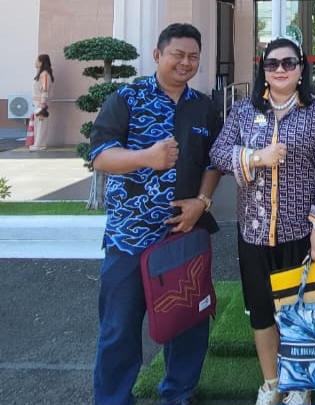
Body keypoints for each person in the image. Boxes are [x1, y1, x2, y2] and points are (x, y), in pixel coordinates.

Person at [90, 23, 222, 405]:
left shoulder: (204, 106)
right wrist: (146, 157)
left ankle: (179, 393)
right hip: (130, 236)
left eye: (193, 56)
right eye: (177, 54)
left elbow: (216, 161)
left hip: (183, 233)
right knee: (119, 326)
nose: (185, 62)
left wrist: (202, 201)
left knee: (188, 320)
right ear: (158, 55)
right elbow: (100, 157)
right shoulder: (126, 98)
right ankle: (113, 398)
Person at [209, 36, 315, 405]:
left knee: (302, 310)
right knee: (262, 311)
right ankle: (272, 382)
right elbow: (218, 153)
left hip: (302, 233)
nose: (280, 69)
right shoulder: (243, 110)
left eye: (288, 63)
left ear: (301, 70)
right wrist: (255, 157)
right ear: (263, 71)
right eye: (272, 64)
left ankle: (300, 383)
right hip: (253, 233)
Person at [29, 54, 54, 151]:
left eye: (37, 60)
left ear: (41, 62)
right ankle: (37, 144)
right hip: (38, 103)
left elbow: (45, 89)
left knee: (41, 124)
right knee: (38, 124)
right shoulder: (42, 74)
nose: (35, 62)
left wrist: (43, 103)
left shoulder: (44, 74)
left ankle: (40, 145)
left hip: (41, 104)